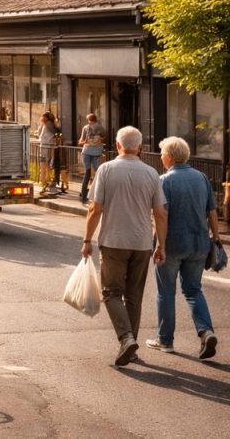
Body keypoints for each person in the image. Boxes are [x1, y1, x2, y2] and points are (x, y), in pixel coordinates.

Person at [81, 126, 167, 366]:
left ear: (118, 146)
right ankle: (131, 346)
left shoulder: (106, 170)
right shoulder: (151, 173)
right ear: (139, 147)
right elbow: (160, 213)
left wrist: (87, 240)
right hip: (141, 243)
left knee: (110, 293)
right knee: (134, 296)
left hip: (114, 241)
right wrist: (161, 244)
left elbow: (95, 209)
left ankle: (126, 338)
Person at [146, 137, 219, 359]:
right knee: (193, 290)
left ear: (169, 156)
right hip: (199, 244)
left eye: (162, 154)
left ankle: (165, 340)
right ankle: (206, 332)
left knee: (166, 291)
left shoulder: (164, 180)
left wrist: (159, 244)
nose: (160, 158)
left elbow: (161, 215)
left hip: (172, 244)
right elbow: (212, 211)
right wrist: (215, 238)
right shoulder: (201, 178)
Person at [78, 113, 106, 204]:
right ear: (95, 119)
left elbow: (81, 141)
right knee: (98, 174)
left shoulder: (85, 128)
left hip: (86, 152)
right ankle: (97, 196)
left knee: (87, 173)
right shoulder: (100, 128)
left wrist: (86, 141)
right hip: (97, 152)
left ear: (88, 120)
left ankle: (83, 195)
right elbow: (104, 137)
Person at [37, 111, 61, 194]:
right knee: (49, 165)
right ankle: (46, 182)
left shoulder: (44, 124)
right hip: (49, 146)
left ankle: (44, 182)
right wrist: (56, 123)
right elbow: (57, 132)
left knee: (44, 165)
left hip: (43, 146)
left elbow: (39, 135)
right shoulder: (49, 124)